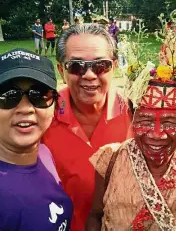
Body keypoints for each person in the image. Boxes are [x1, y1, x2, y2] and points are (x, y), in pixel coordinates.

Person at [86, 41, 176, 230]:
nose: (157, 134)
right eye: (146, 121)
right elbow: (95, 216)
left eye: (169, 122)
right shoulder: (110, 161)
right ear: (131, 116)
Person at [0, 48, 73, 231]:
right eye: (8, 97)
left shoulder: (44, 153)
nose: (25, 108)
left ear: (55, 105)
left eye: (39, 95)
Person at [42, 23, 133, 231]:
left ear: (114, 66)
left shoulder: (135, 112)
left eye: (101, 65)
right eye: (76, 66)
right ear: (60, 70)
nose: (90, 75)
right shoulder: (42, 115)